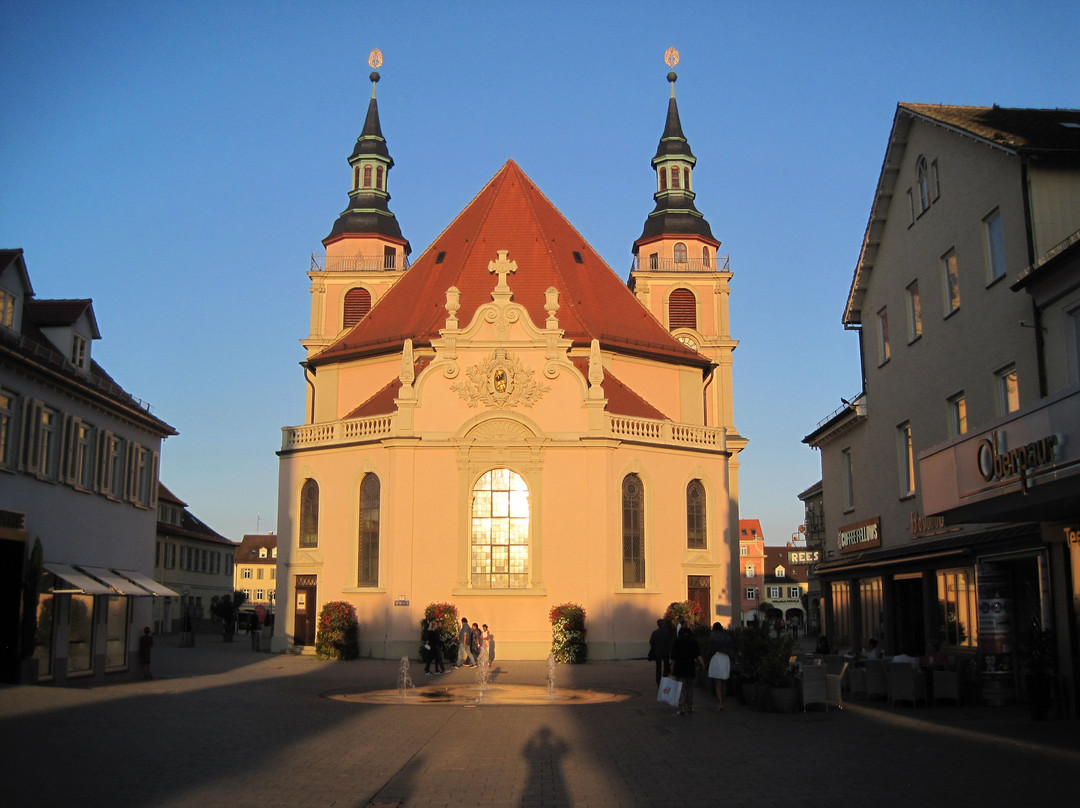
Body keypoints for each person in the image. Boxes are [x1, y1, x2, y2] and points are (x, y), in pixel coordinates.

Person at [670, 623, 703, 715]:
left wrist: (672, 667)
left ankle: (682, 707)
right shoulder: (693, 642)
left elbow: (673, 657)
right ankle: (690, 706)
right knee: (689, 688)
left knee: (681, 688)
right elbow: (698, 654)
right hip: (690, 667)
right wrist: (703, 663)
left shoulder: (677, 642)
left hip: (679, 667)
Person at [706, 622, 733, 711]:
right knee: (724, 682)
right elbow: (731, 650)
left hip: (716, 657)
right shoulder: (727, 637)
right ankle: (723, 701)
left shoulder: (712, 637)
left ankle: (720, 702)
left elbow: (710, 650)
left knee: (717, 682)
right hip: (726, 658)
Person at [648, 619, 675, 685]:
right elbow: (670, 642)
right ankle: (665, 679)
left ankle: (658, 682)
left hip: (658, 652)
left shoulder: (655, 632)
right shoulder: (667, 632)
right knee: (666, 666)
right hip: (665, 652)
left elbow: (651, 642)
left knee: (658, 667)